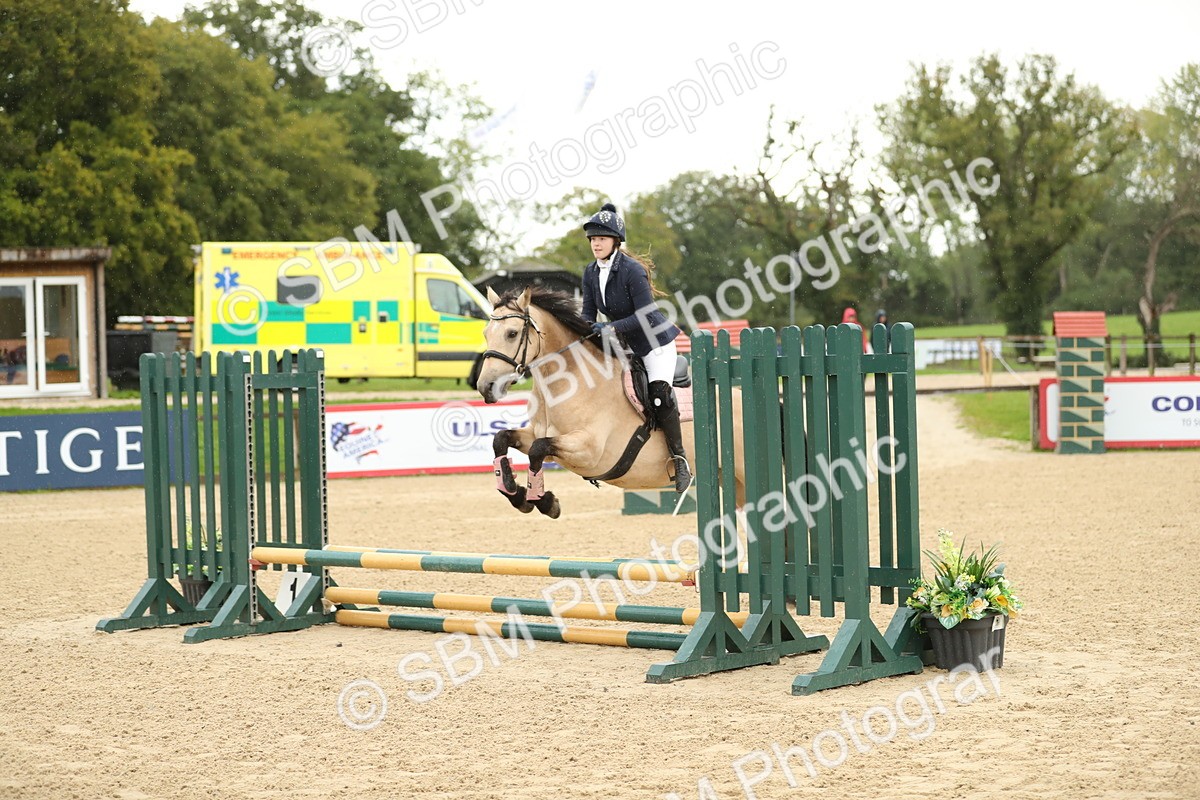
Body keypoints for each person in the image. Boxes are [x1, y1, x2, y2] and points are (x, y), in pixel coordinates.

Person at [580, 202, 691, 493]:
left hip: (655, 344)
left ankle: (679, 458)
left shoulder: (632, 270)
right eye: (592, 239)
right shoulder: (590, 272)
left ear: (616, 241)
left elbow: (644, 314)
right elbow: (588, 315)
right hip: (626, 344)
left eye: (601, 238)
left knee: (658, 394)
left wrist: (612, 327)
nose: (596, 243)